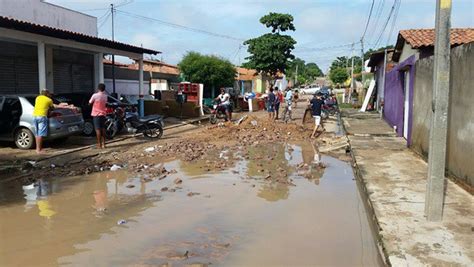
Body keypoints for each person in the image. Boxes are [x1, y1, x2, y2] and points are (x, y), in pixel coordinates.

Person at [33, 89, 73, 154]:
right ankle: (39, 150)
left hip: (35, 116)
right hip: (42, 116)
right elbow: (52, 108)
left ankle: (37, 149)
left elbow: (43, 105)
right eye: (49, 93)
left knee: (37, 133)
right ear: (47, 94)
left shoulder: (37, 98)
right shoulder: (49, 100)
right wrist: (63, 106)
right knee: (40, 134)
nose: (50, 95)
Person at [89, 83, 108, 149]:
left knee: (97, 129)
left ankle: (99, 145)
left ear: (98, 88)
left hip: (96, 114)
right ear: (104, 89)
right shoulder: (105, 96)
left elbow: (90, 102)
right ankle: (104, 144)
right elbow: (105, 103)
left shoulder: (95, 95)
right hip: (103, 114)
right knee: (103, 128)